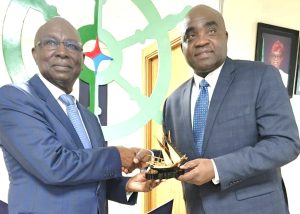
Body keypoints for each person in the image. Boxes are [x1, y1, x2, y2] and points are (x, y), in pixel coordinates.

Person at [0, 17, 160, 214]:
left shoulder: (88, 118)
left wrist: (126, 186)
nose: (62, 52)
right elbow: (54, 166)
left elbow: (88, 176)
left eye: (72, 46)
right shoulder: (13, 98)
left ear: (83, 60)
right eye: (51, 43)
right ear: (35, 53)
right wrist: (117, 155)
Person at [162, 4, 300, 214]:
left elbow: (285, 143)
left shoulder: (261, 77)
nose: (201, 41)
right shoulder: (171, 102)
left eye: (211, 30)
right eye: (190, 36)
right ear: (182, 46)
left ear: (225, 36)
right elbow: (179, 158)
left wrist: (217, 168)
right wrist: (152, 160)